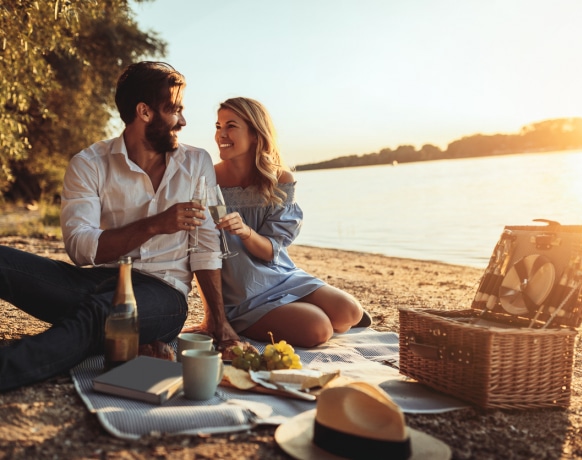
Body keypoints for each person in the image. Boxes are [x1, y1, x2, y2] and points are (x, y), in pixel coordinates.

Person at [0, 61, 242, 392]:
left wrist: (221, 323)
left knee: (103, 313)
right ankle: (121, 343)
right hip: (96, 280)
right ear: (144, 112)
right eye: (174, 110)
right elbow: (82, 249)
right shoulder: (88, 164)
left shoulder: (197, 162)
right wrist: (156, 224)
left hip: (164, 294)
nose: (183, 121)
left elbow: (206, 245)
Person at [184, 97, 371, 348]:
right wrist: (214, 315)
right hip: (241, 293)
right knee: (318, 330)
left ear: (254, 133)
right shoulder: (207, 178)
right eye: (218, 127)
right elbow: (200, 251)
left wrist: (247, 232)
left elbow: (273, 250)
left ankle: (293, 309)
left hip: (280, 275)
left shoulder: (280, 178)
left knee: (351, 312)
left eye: (231, 126)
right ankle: (268, 316)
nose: (221, 135)